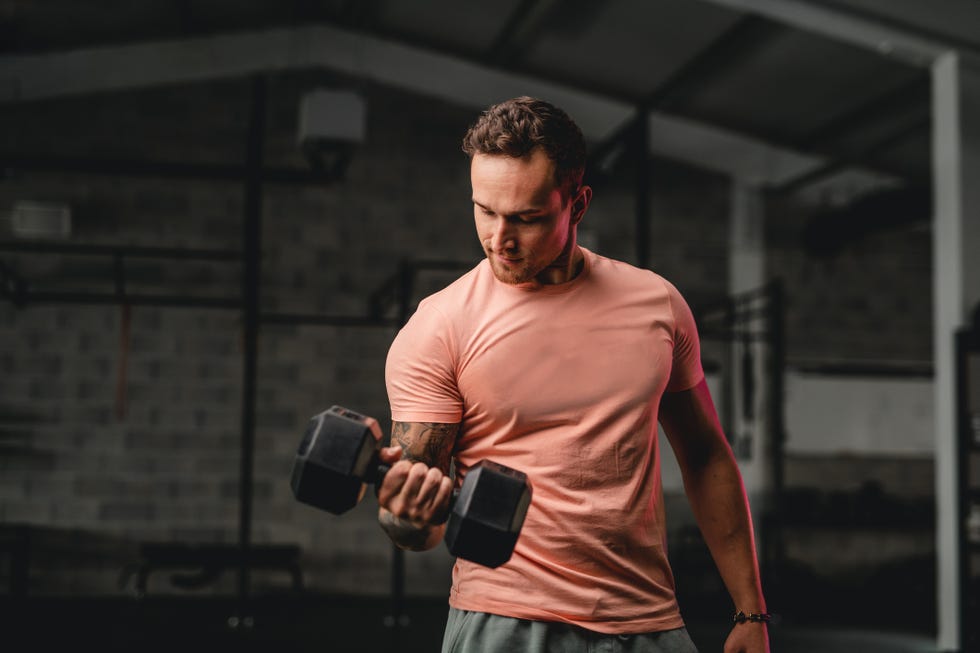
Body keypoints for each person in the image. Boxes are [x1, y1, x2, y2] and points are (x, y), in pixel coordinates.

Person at [376, 96, 770, 653]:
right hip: (504, 621)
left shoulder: (657, 305)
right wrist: (404, 514)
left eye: (527, 217)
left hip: (648, 619)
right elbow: (418, 518)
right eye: (484, 210)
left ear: (577, 203)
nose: (499, 238)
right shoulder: (440, 327)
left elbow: (706, 455)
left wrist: (750, 610)